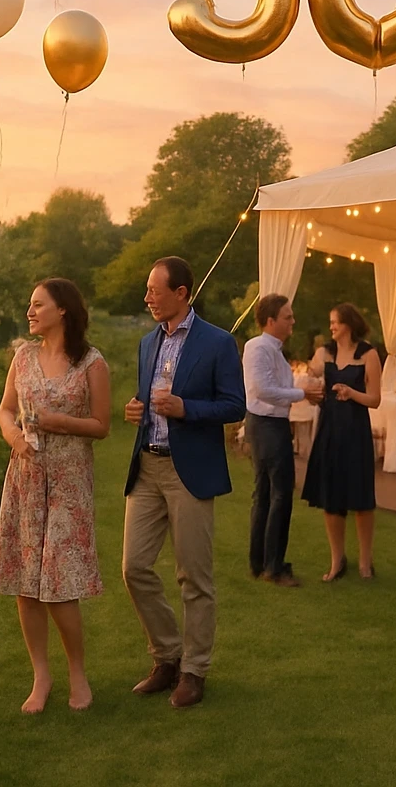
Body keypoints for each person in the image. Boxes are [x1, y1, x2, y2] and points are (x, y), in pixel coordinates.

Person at [122, 257, 245, 709]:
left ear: (182, 292)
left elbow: (236, 406)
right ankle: (167, 655)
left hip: (189, 471)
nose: (148, 297)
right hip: (147, 468)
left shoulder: (217, 343)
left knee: (194, 575)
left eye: (156, 290)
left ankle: (194, 670)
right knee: (134, 567)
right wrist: (135, 411)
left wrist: (186, 408)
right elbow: (145, 400)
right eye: (147, 290)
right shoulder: (146, 343)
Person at [0, 278, 111, 713]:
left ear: (62, 310)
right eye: (29, 305)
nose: (30, 311)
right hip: (25, 477)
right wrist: (13, 435)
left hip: (68, 481)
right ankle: (41, 676)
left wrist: (55, 420)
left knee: (60, 585)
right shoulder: (23, 357)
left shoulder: (91, 363)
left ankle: (77, 673)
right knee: (27, 583)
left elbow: (102, 425)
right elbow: (5, 409)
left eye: (38, 305)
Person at [243, 294, 324, 588]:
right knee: (278, 494)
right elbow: (262, 389)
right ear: (271, 321)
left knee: (266, 494)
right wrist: (303, 393)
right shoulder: (258, 347)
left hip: (271, 424)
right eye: (288, 317)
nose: (293, 321)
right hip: (266, 425)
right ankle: (273, 566)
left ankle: (261, 562)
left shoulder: (274, 350)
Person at [301, 303, 383, 582]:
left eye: (335, 322)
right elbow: (309, 376)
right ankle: (337, 560)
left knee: (361, 498)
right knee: (331, 497)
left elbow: (375, 399)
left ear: (348, 323)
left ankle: (365, 560)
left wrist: (351, 392)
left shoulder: (368, 354)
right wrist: (311, 386)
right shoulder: (324, 352)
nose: (331, 327)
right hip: (329, 429)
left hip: (356, 430)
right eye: (330, 322)